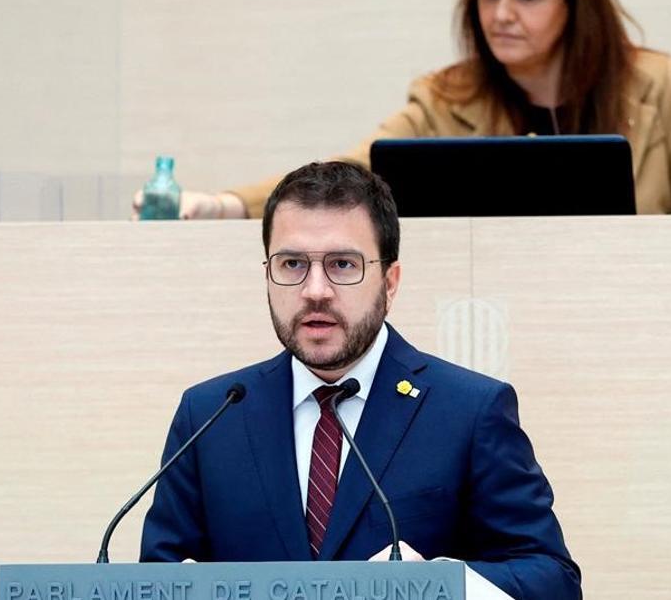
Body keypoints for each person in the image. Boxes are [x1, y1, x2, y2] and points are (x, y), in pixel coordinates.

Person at [140, 161, 582, 600]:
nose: (315, 290)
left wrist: (439, 585)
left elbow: (553, 579)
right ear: (267, 276)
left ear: (390, 283)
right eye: (292, 263)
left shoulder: (469, 410)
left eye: (343, 265)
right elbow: (154, 580)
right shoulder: (211, 415)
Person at [139, 0, 671, 220]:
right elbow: (345, 176)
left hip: (635, 323)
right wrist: (225, 206)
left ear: (578, 5)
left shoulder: (651, 87)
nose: (501, 14)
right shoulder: (446, 99)